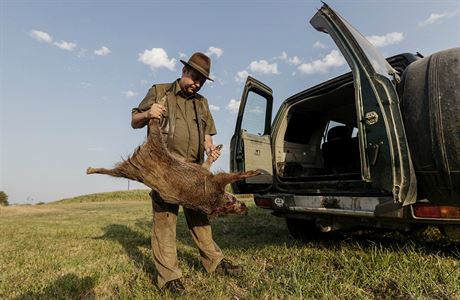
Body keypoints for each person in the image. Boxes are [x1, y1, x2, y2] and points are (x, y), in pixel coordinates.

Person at [131, 52, 242, 296]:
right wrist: (148, 114)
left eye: (202, 81)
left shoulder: (201, 102)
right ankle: (169, 277)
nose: (197, 83)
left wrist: (210, 149)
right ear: (184, 72)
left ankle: (214, 262)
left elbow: (207, 135)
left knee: (201, 220)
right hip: (166, 173)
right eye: (195, 78)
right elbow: (134, 120)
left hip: (194, 173)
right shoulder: (160, 91)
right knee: (165, 223)